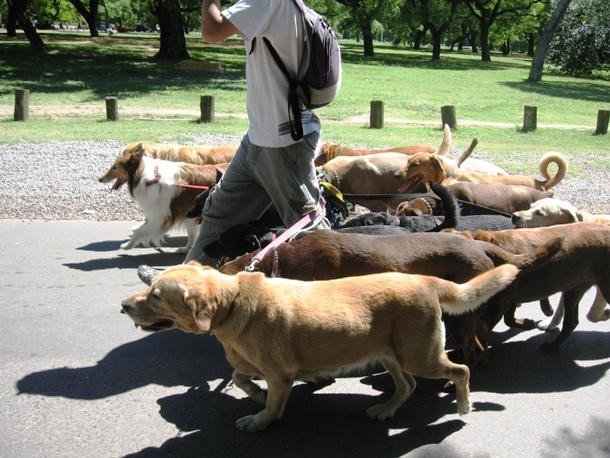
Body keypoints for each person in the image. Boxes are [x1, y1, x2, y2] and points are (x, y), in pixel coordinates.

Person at [183, 0, 330, 265]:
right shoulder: (280, 7)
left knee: (308, 231)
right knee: (219, 212)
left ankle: (347, 296)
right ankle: (183, 288)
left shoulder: (269, 2)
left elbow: (212, 31)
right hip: (261, 138)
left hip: (282, 141)